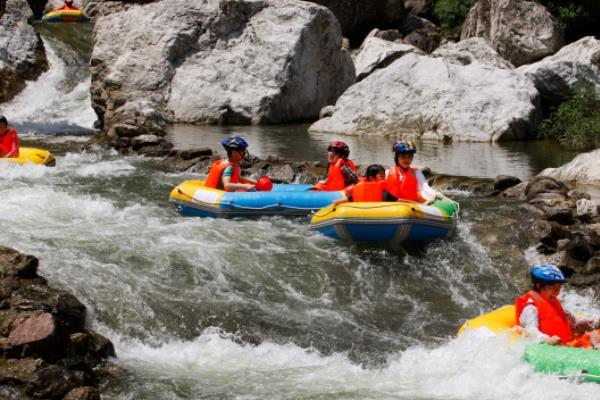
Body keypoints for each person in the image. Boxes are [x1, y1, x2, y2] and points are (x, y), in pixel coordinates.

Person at [515, 264, 599, 346]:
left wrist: (596, 322)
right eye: (553, 288)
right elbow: (531, 331)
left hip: (564, 345)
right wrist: (547, 340)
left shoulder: (554, 304)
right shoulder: (530, 309)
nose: (557, 292)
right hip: (545, 347)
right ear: (539, 286)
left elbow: (575, 322)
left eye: (558, 288)